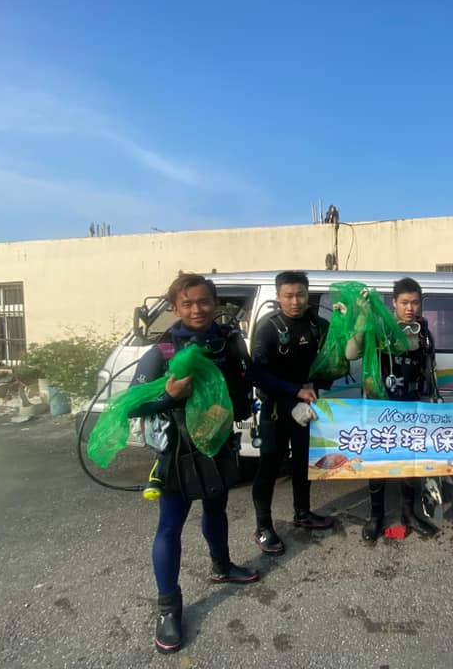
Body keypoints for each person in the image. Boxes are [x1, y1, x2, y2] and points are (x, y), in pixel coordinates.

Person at [128, 273, 268, 654]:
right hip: (177, 452)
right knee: (170, 526)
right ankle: (168, 609)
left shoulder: (228, 340)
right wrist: (168, 397)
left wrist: (294, 388)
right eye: (187, 303)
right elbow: (133, 405)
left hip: (218, 444)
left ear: (215, 303)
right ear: (175, 308)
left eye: (204, 301)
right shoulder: (162, 351)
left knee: (217, 510)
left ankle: (221, 566)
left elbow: (252, 374)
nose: (196, 309)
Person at [345, 277, 441, 541]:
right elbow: (351, 353)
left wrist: (431, 401)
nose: (410, 308)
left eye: (415, 302)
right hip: (379, 407)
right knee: (378, 462)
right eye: (404, 302)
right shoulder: (378, 328)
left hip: (412, 406)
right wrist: (362, 319)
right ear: (394, 303)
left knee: (409, 463)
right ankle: (375, 516)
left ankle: (409, 514)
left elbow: (428, 369)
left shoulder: (423, 332)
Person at [250, 271, 333, 556]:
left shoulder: (319, 325)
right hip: (276, 409)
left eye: (300, 295)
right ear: (278, 297)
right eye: (288, 296)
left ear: (308, 294)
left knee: (303, 462)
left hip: (307, 408)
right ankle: (263, 527)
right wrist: (294, 391)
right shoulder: (268, 327)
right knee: (269, 466)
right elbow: (259, 374)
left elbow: (332, 362)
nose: (295, 301)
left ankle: (303, 512)